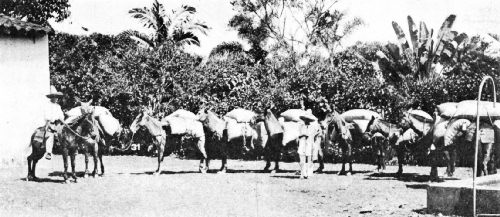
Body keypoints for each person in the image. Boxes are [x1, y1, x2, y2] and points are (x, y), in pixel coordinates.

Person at [43, 86, 65, 160]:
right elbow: (47, 117)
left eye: (57, 97)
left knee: (64, 133)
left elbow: (61, 115)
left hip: (58, 123)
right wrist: (50, 124)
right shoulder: (47, 105)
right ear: (51, 97)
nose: (56, 98)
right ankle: (48, 152)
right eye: (55, 97)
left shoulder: (58, 106)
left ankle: (67, 148)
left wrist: (62, 121)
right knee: (50, 135)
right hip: (50, 123)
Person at [297, 112, 319, 179]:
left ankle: (309, 173)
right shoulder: (300, 127)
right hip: (302, 143)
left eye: (308, 119)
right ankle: (303, 173)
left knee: (310, 160)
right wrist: (302, 135)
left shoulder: (313, 128)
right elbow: (298, 135)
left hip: (310, 144)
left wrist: (314, 136)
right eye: (305, 119)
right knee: (302, 160)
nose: (306, 121)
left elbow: (315, 136)